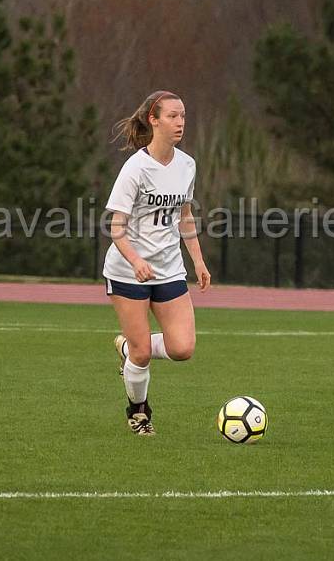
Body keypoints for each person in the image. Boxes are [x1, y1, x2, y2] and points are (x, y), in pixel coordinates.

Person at [104, 90, 211, 436]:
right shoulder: (135, 167)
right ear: (153, 120)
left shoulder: (187, 164)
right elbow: (116, 226)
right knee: (142, 353)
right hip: (127, 271)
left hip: (168, 269)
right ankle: (139, 411)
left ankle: (129, 347)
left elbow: (185, 216)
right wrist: (134, 260)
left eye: (183, 116)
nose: (180, 122)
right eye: (172, 116)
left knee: (183, 348)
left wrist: (198, 261)